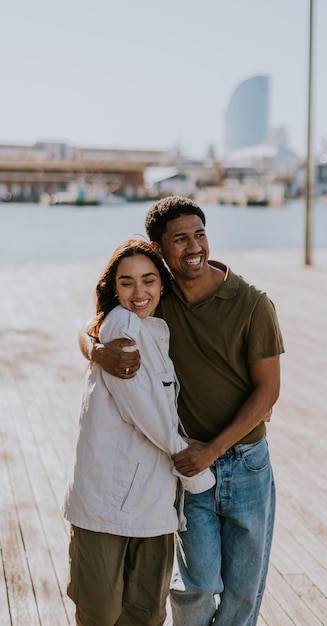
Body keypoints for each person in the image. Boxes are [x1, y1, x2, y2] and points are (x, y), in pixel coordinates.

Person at [80, 196, 285, 626]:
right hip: (185, 466)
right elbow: (92, 326)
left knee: (243, 593)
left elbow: (267, 395)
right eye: (180, 239)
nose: (194, 247)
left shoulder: (252, 303)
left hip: (244, 464)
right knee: (195, 586)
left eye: (200, 234)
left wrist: (212, 451)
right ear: (159, 248)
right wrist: (98, 352)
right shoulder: (157, 296)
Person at [64, 238, 215, 626]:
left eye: (148, 280)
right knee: (102, 614)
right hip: (106, 502)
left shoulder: (154, 329)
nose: (139, 292)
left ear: (161, 284)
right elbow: (147, 413)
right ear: (114, 287)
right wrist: (196, 468)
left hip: (153, 503)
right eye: (127, 282)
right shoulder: (122, 327)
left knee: (147, 613)